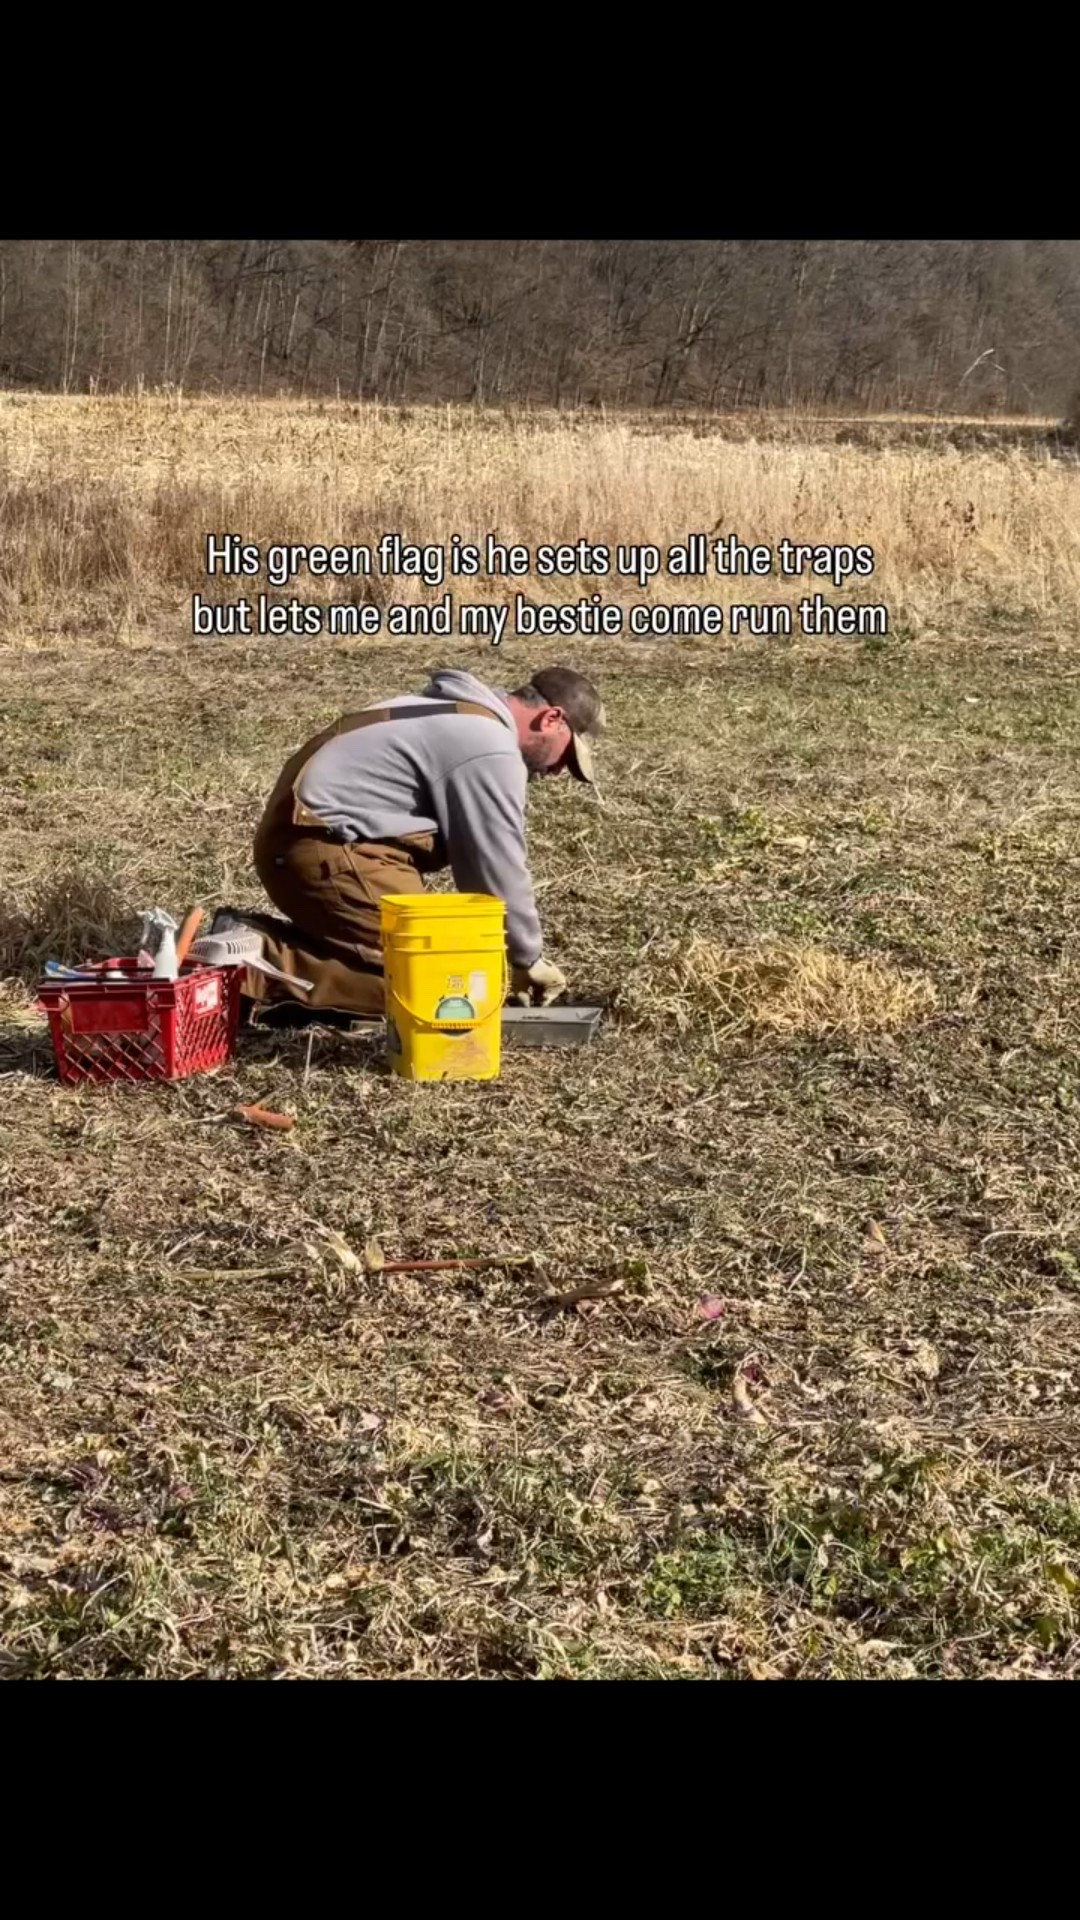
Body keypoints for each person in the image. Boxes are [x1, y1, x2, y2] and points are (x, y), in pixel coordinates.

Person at [215, 664, 605, 1025]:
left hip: (314, 843)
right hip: (328, 850)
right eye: (565, 756)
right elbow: (495, 865)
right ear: (551, 719)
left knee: (427, 963)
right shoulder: (489, 746)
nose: (557, 772)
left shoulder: (454, 712)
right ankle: (252, 962)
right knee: (444, 987)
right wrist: (526, 957)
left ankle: (248, 940)